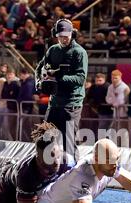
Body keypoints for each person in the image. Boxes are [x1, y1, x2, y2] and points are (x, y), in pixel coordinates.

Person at [35, 19, 88, 161]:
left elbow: (80, 79)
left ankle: (73, 174)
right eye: (60, 36)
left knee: (68, 143)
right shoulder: (53, 50)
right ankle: (45, 168)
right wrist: (40, 81)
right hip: (54, 103)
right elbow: (39, 68)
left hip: (71, 105)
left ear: (72, 34)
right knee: (44, 138)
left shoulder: (79, 52)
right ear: (55, 35)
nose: (63, 39)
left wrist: (58, 76)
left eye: (66, 36)